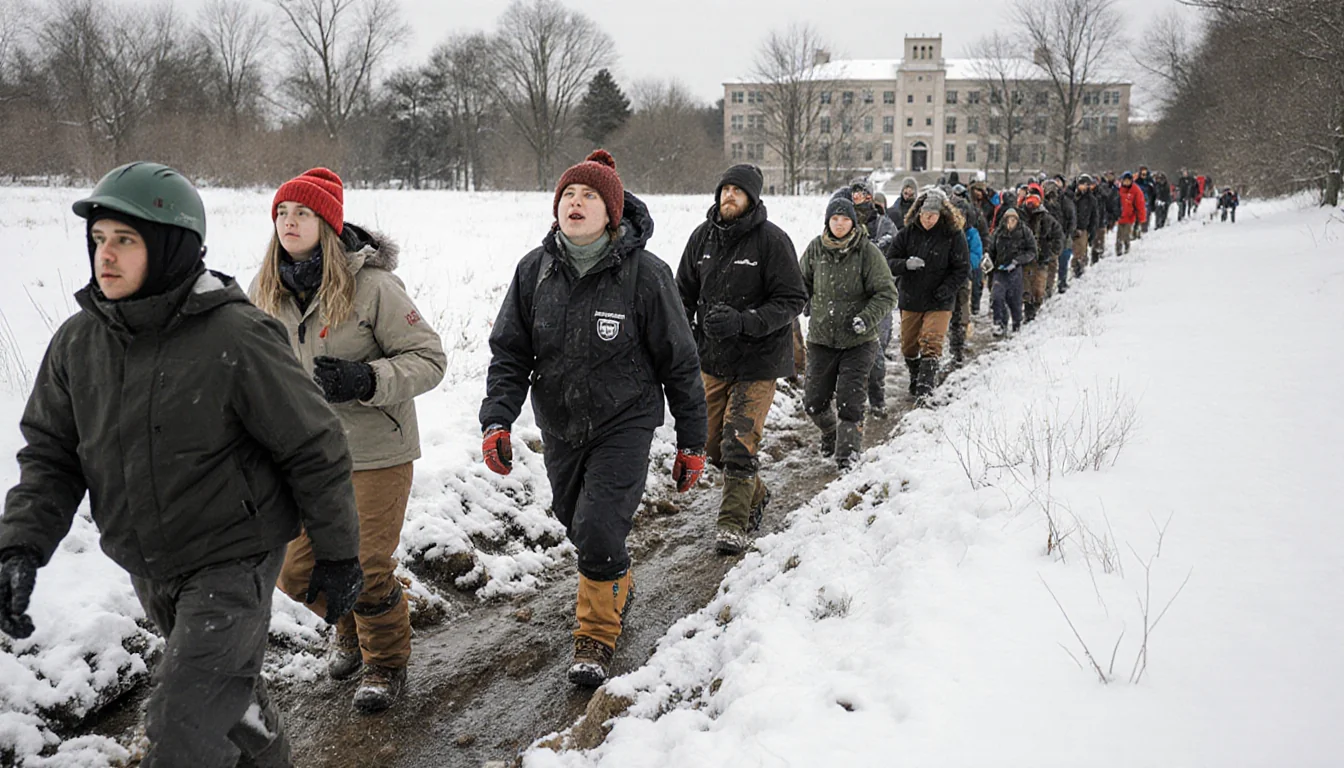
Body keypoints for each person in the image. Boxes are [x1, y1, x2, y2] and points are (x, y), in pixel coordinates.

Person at [0, 162, 362, 767]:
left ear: (171, 247)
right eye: (99, 240)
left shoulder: (236, 336)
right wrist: (19, 547)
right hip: (149, 562)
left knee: (179, 731)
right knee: (228, 704)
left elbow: (314, 445)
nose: (105, 256)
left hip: (233, 561)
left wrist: (338, 552)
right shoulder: (77, 344)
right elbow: (52, 457)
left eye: (126, 240)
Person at [480, 150, 707, 686]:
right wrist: (497, 419)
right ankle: (615, 575)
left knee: (600, 527)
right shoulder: (534, 271)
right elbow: (510, 352)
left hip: (624, 421)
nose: (575, 203)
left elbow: (680, 361)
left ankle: (596, 635)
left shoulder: (646, 275)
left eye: (588, 197)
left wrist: (692, 440)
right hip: (560, 423)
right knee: (575, 521)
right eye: (567, 196)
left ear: (612, 212)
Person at [249, 167, 446, 712]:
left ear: (329, 225)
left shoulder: (375, 287)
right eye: (282, 214)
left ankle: (385, 664)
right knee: (294, 570)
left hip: (376, 452)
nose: (289, 223)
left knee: (366, 562)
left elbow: (430, 360)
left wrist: (367, 380)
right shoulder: (264, 292)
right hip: (303, 458)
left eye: (303, 214)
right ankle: (351, 626)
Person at [676, 164, 807, 555]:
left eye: (737, 190)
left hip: (760, 360)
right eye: (724, 189)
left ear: (752, 197)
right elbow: (681, 293)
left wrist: (745, 321)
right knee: (710, 445)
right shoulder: (701, 239)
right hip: (712, 358)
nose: (728, 195)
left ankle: (731, 526)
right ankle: (755, 491)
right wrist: (687, 330)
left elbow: (793, 300)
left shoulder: (772, 241)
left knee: (738, 442)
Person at [800, 192, 897, 468]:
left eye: (845, 219)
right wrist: (803, 301)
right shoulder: (815, 249)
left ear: (853, 223)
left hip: (858, 340)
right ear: (827, 221)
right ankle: (830, 433)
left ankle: (847, 456)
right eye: (835, 218)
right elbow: (800, 283)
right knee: (813, 402)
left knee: (850, 402)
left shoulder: (867, 252)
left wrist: (866, 318)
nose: (839, 224)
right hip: (821, 339)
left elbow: (887, 293)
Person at [887, 188, 970, 401]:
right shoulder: (908, 233)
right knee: (908, 346)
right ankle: (916, 375)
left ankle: (925, 391)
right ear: (919, 213)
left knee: (931, 343)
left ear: (941, 215)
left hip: (940, 300)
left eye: (932, 216)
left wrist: (947, 288)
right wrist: (906, 264)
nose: (928, 220)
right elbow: (889, 262)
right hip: (912, 297)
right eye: (925, 215)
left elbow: (961, 268)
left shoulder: (953, 235)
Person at [851, 179, 898, 418]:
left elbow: (893, 249)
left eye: (862, 194)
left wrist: (877, 247)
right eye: (854, 194)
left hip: (877, 296)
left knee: (876, 351)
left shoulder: (883, 224)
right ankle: (850, 401)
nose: (858, 198)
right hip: (849, 295)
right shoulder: (841, 221)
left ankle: (877, 399)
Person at [985, 207, 1037, 336]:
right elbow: (991, 249)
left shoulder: (1025, 232)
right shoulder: (998, 233)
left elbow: (1032, 251)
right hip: (999, 270)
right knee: (996, 297)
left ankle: (1016, 325)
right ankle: (998, 323)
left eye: (1014, 219)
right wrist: (987, 260)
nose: (1011, 222)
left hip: (1015, 270)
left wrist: (1017, 261)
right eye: (1009, 219)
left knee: (1015, 300)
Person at [947, 195, 983, 365]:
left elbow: (977, 253)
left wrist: (965, 266)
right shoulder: (944, 232)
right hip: (945, 278)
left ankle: (957, 348)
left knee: (960, 314)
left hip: (962, 278)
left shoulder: (971, 233)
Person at [1019, 191, 1063, 324]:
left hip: (1041, 259)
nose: (1031, 204)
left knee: (1038, 288)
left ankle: (1035, 308)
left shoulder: (1047, 219)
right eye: (1029, 201)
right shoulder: (1021, 217)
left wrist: (1051, 252)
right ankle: (1028, 311)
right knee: (1025, 288)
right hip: (1025, 259)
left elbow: (1058, 236)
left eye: (1034, 201)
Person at [1043, 178, 1076, 296]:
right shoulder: (1043, 203)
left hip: (1063, 234)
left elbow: (1071, 218)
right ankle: (1048, 287)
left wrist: (1067, 233)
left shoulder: (1065, 201)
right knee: (1051, 263)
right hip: (1049, 237)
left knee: (1063, 260)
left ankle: (1062, 282)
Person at [1071, 174, 1103, 282]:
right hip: (1070, 227)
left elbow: (1095, 217)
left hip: (1082, 228)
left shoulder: (1091, 200)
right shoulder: (1072, 196)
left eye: (1086, 185)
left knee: (1080, 253)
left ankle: (1079, 272)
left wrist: (1092, 232)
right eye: (1081, 184)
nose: (1083, 187)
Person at [1116, 171, 1147, 256]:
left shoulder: (1135, 190)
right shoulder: (1118, 189)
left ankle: (1126, 248)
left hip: (1129, 217)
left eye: (1128, 181)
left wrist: (1141, 218)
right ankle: (1118, 250)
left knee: (1126, 234)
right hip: (1120, 216)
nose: (1126, 182)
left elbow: (1140, 204)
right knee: (1119, 235)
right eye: (1124, 180)